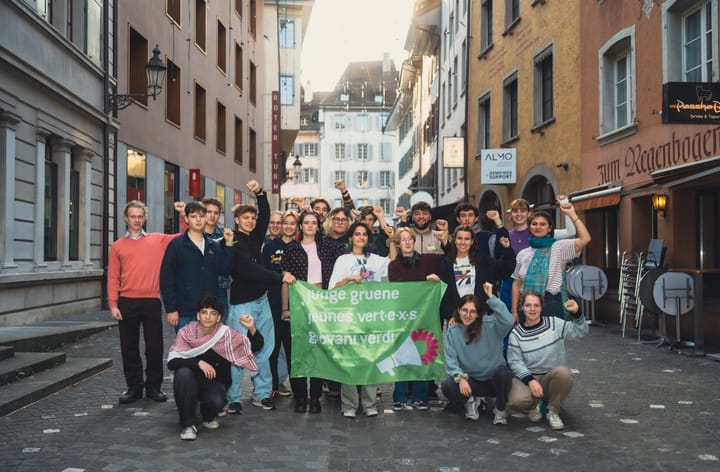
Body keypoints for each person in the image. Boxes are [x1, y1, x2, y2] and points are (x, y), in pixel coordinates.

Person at [226, 180, 296, 414]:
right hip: (242, 304)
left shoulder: (255, 237)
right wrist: (279, 277)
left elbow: (265, 215)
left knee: (265, 349)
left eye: (252, 218)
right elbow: (247, 269)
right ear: (237, 220)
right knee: (237, 349)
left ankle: (263, 393)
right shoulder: (232, 241)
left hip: (261, 301)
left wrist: (259, 193)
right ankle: (234, 397)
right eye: (245, 218)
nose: (251, 221)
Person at [107, 200, 185, 404]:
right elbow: (113, 277)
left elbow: (181, 237)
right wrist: (113, 304)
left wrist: (183, 215)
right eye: (132, 216)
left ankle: (153, 387)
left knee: (154, 346)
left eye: (140, 216)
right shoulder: (117, 246)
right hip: (126, 303)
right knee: (129, 346)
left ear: (145, 218)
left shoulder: (157, 240)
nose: (136, 220)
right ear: (126, 218)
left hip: (151, 301)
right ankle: (133, 388)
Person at [167, 296, 263, 440]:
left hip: (213, 383)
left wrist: (251, 328)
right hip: (188, 382)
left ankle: (207, 415)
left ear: (218, 317)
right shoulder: (186, 332)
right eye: (204, 312)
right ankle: (188, 424)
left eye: (213, 313)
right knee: (183, 373)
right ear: (198, 315)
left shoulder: (225, 335)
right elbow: (172, 362)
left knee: (217, 400)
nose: (207, 317)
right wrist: (198, 363)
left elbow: (254, 347)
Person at [280, 210, 345, 414]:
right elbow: (285, 280)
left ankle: (315, 397)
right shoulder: (291, 249)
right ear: (300, 226)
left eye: (313, 222)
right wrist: (285, 308)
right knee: (297, 352)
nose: (309, 225)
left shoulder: (328, 247)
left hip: (322, 305)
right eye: (306, 222)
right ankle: (300, 396)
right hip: (298, 304)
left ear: (318, 226)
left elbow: (343, 266)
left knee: (318, 352)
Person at [328, 222, 394, 418]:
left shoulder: (374, 259)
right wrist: (348, 279)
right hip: (348, 316)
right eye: (357, 234)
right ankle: (349, 404)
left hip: (370, 316)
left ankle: (369, 403)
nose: (361, 237)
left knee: (370, 360)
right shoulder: (342, 260)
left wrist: (391, 239)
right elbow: (333, 288)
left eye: (364, 234)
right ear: (350, 237)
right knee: (349, 361)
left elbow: (392, 262)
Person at [507, 291, 588, 430]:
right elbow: (515, 362)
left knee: (564, 373)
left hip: (550, 377)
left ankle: (553, 411)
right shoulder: (516, 334)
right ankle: (535, 405)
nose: (532, 309)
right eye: (528, 305)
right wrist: (530, 380)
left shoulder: (554, 323)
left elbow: (580, 331)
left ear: (542, 307)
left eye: (536, 305)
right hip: (529, 377)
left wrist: (577, 313)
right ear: (522, 307)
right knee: (516, 401)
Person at [387, 226, 447, 411]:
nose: (406, 242)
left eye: (409, 239)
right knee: (402, 354)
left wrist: (445, 240)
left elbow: (448, 258)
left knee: (423, 353)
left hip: (424, 317)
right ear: (397, 245)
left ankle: (420, 397)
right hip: (403, 317)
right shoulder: (394, 265)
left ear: (414, 241)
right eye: (402, 239)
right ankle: (400, 396)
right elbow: (400, 288)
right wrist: (424, 280)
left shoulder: (429, 260)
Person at [441, 284, 515, 425]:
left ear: (478, 313)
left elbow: (509, 321)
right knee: (448, 386)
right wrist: (460, 377)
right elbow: (451, 360)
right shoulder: (453, 331)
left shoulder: (492, 326)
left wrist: (492, 298)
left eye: (472, 312)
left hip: (494, 380)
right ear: (458, 310)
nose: (468, 315)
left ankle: (500, 408)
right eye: (464, 310)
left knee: (503, 373)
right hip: (471, 381)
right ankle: (470, 400)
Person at [511, 198, 591, 321]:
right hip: (526, 305)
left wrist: (571, 214)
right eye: (534, 224)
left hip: (551, 304)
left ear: (549, 228)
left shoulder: (559, 248)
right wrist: (514, 311)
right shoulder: (523, 254)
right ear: (530, 227)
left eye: (542, 224)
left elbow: (585, 238)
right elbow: (516, 284)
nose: (538, 227)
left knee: (552, 339)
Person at [160, 201, 236, 331]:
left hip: (209, 311)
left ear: (206, 218)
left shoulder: (213, 245)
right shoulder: (176, 245)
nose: (198, 220)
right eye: (194, 216)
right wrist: (171, 309)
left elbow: (225, 270)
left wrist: (229, 245)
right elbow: (166, 278)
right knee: (187, 349)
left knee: (210, 350)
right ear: (186, 219)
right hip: (185, 311)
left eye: (202, 216)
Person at [500, 198, 576, 310]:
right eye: (515, 211)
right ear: (510, 214)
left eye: (522, 210)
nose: (519, 214)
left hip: (538, 288)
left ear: (529, 213)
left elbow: (571, 232)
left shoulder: (541, 230)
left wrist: (565, 207)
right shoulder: (505, 236)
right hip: (510, 285)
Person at [438, 226, 515, 322]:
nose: (463, 242)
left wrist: (507, 250)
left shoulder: (482, 261)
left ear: (472, 241)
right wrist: (450, 315)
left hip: (482, 317)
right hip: (457, 318)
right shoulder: (446, 264)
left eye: (467, 239)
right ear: (454, 240)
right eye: (459, 238)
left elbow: (504, 271)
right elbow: (442, 294)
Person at [261, 210, 298, 399]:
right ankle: (273, 384)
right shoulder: (270, 247)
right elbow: (263, 271)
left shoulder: (300, 247)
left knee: (293, 349)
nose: (288, 227)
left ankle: (298, 387)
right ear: (281, 225)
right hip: (273, 303)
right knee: (273, 347)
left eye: (293, 223)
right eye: (285, 223)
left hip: (296, 305)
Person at [201, 196, 232, 322]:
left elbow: (230, 260)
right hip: (200, 288)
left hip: (220, 289)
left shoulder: (225, 235)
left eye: (216, 212)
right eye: (209, 212)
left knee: (220, 328)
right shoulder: (195, 234)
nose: (212, 215)